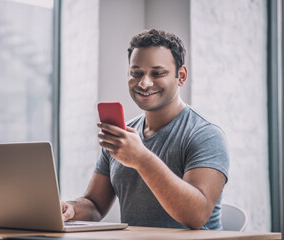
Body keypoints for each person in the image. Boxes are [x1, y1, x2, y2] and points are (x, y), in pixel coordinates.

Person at [61, 29, 229, 230]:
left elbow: (196, 215)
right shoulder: (123, 136)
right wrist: (70, 208)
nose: (144, 83)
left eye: (157, 73)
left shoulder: (205, 134)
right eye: (136, 73)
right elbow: (95, 205)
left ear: (181, 76)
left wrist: (141, 159)